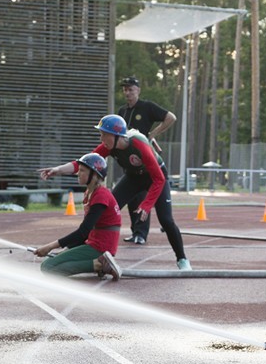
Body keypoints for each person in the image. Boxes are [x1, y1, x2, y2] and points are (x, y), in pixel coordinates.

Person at [39, 115, 192, 271]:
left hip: (156, 178)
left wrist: (147, 205)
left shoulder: (139, 145)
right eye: (101, 134)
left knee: (166, 220)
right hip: (133, 178)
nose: (101, 138)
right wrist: (57, 170)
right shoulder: (108, 146)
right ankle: (74, 250)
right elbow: (85, 163)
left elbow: (159, 178)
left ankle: (182, 259)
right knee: (102, 210)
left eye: (104, 134)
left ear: (117, 135)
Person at [33, 153, 122, 281]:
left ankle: (99, 264)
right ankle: (100, 263)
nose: (78, 173)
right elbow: (86, 234)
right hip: (94, 244)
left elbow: (83, 231)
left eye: (82, 170)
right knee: (54, 260)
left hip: (100, 247)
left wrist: (50, 246)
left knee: (47, 267)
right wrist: (67, 250)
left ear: (95, 175)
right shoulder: (90, 193)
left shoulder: (101, 196)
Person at [118, 76, 177, 245]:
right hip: (129, 161)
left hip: (145, 161)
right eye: (125, 90)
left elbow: (171, 117)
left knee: (143, 196)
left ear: (138, 90)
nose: (127, 93)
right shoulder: (122, 111)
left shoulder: (146, 107)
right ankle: (135, 231)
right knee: (131, 198)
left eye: (131, 89)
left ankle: (141, 233)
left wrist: (152, 134)